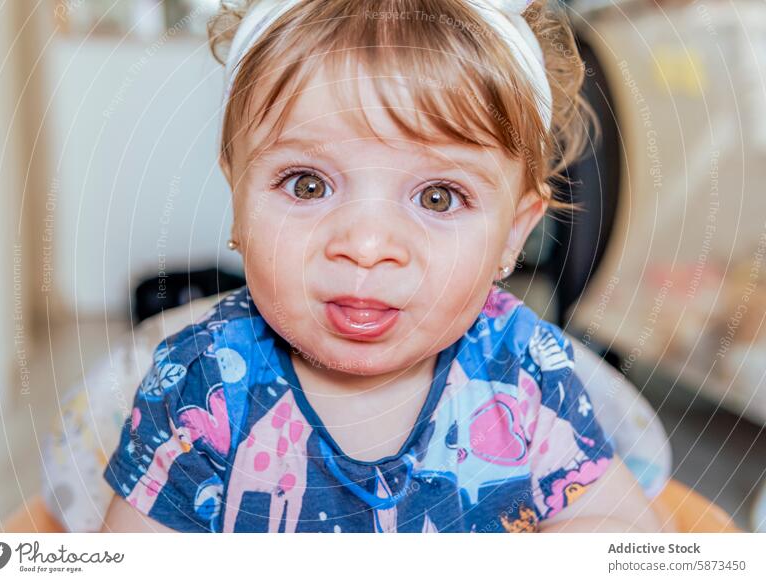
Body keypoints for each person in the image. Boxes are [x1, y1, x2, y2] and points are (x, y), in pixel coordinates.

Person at [101, 0, 662, 533]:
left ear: (513, 234)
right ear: (238, 198)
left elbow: (625, 536)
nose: (367, 246)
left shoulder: (525, 376)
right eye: (307, 184)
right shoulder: (205, 386)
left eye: (438, 197)